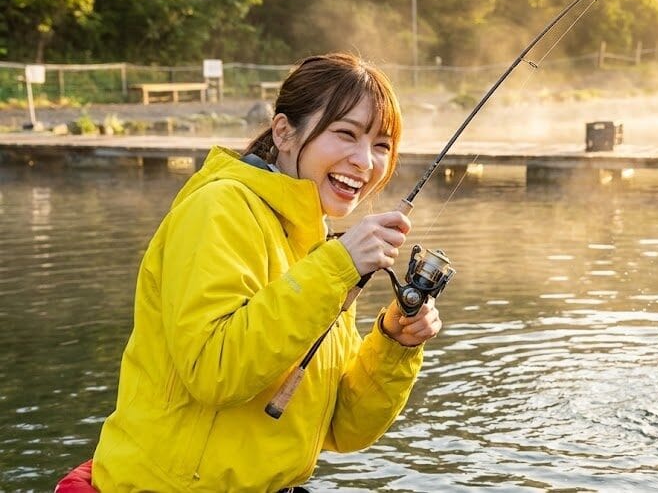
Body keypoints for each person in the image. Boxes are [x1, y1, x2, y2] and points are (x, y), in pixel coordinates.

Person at [58, 53, 442, 491]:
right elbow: (213, 369)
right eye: (345, 134)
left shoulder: (317, 246)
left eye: (381, 145)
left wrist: (393, 343)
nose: (365, 161)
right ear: (284, 132)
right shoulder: (220, 207)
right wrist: (338, 267)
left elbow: (343, 430)